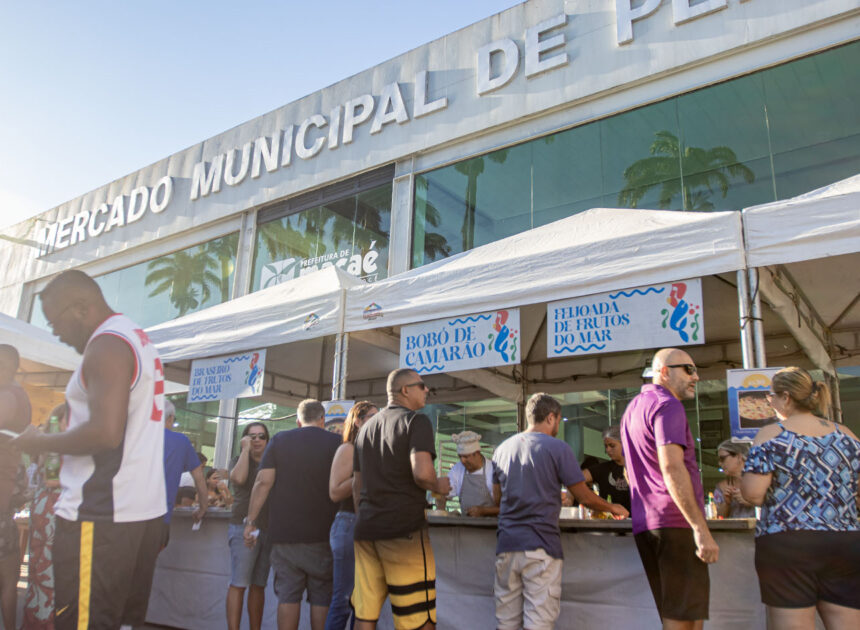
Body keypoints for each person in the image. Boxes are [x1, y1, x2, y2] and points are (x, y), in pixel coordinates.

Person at [13, 269, 167, 630]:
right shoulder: (135, 337)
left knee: (84, 623)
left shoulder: (106, 346)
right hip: (140, 513)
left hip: (99, 516)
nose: (56, 333)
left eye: (55, 322)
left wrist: (39, 442)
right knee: (122, 622)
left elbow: (105, 433)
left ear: (81, 308)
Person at [492, 393, 628, 630]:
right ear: (551, 417)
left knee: (506, 622)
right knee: (539, 622)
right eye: (558, 421)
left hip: (506, 546)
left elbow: (498, 498)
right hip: (540, 546)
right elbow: (584, 496)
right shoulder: (557, 448)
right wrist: (612, 507)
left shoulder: (502, 449)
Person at [741, 367, 860, 629]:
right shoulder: (848, 435)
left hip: (789, 543)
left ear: (786, 397)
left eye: (770, 396)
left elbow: (753, 493)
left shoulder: (772, 436)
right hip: (845, 542)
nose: (769, 402)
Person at [620, 348, 718, 630]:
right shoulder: (668, 404)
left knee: (674, 613)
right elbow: (672, 467)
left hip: (647, 523)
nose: (695, 376)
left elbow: (629, 471)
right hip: (675, 522)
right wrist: (700, 527)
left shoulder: (634, 408)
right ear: (664, 372)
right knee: (685, 619)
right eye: (688, 369)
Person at [351, 369, 451, 630]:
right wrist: (440, 484)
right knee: (418, 617)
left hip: (366, 531)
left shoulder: (365, 429)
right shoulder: (416, 421)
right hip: (404, 530)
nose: (426, 390)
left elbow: (356, 486)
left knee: (365, 612)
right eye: (422, 385)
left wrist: (364, 517)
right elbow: (423, 473)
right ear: (405, 390)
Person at [243, 399, 341, 630]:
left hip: (284, 535)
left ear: (298, 421)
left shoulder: (279, 440)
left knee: (287, 597)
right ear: (322, 420)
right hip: (324, 535)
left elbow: (263, 482)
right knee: (321, 597)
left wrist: (251, 521)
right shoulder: (338, 443)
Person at [326, 401, 378, 630]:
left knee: (366, 603)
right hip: (348, 524)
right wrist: (362, 472)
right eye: (373, 417)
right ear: (358, 421)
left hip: (370, 525)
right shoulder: (348, 449)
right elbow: (335, 492)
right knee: (344, 600)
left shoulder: (377, 451)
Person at [21, 404, 67, 630]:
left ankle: (36, 621)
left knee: (39, 574)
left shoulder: (49, 441)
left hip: (43, 508)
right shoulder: (59, 443)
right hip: (53, 511)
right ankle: (45, 623)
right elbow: (51, 478)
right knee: (48, 575)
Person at [227, 421, 272, 630]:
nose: (256, 440)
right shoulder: (239, 460)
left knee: (259, 585)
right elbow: (238, 478)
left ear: (267, 440)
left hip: (268, 529)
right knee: (239, 583)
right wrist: (245, 450)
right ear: (245, 439)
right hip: (242, 526)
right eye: (251, 436)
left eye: (261, 436)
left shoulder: (272, 462)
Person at [0, 344, 32, 630]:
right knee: (8, 577)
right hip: (7, 495)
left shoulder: (9, 395)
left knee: (8, 578)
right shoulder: (17, 394)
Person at [162, 399, 207, 547]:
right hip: (158, 519)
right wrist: (202, 507)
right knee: (145, 567)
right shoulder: (180, 441)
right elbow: (199, 479)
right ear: (170, 418)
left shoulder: (133, 436)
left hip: (121, 516)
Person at [442, 431, 499, 517]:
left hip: (491, 527)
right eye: (460, 456)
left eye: (466, 456)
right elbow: (443, 495)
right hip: (466, 527)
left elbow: (507, 507)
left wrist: (484, 511)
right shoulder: (457, 469)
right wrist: (441, 511)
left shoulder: (493, 470)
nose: (462, 461)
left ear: (477, 453)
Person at [583, 425, 631, 512]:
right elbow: (576, 480)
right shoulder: (603, 469)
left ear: (624, 443)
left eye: (612, 446)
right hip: (609, 522)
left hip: (635, 521)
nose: (608, 450)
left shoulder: (637, 468)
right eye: (606, 446)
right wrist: (569, 496)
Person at [713, 440, 754, 519]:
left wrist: (753, 502)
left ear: (738, 457)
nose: (720, 463)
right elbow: (719, 517)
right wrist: (726, 503)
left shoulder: (760, 481)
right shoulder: (721, 488)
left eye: (722, 458)